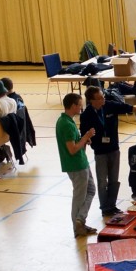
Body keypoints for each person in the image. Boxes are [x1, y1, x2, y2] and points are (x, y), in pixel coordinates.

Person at [80, 85, 133, 225]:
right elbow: (84, 136)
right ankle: (105, 208)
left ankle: (112, 205)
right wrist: (87, 144)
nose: (103, 98)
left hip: (114, 149)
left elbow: (130, 108)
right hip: (100, 153)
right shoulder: (86, 115)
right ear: (92, 101)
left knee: (114, 180)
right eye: (99, 98)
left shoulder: (110, 106)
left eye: (103, 96)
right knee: (102, 182)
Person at [57, 92, 97, 238]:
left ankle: (80, 220)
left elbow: (75, 144)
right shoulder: (66, 124)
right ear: (73, 105)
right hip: (76, 165)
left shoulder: (67, 121)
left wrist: (83, 140)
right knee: (79, 196)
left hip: (81, 162)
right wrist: (86, 137)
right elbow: (72, 149)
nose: (81, 107)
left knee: (91, 190)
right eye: (80, 105)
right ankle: (78, 226)